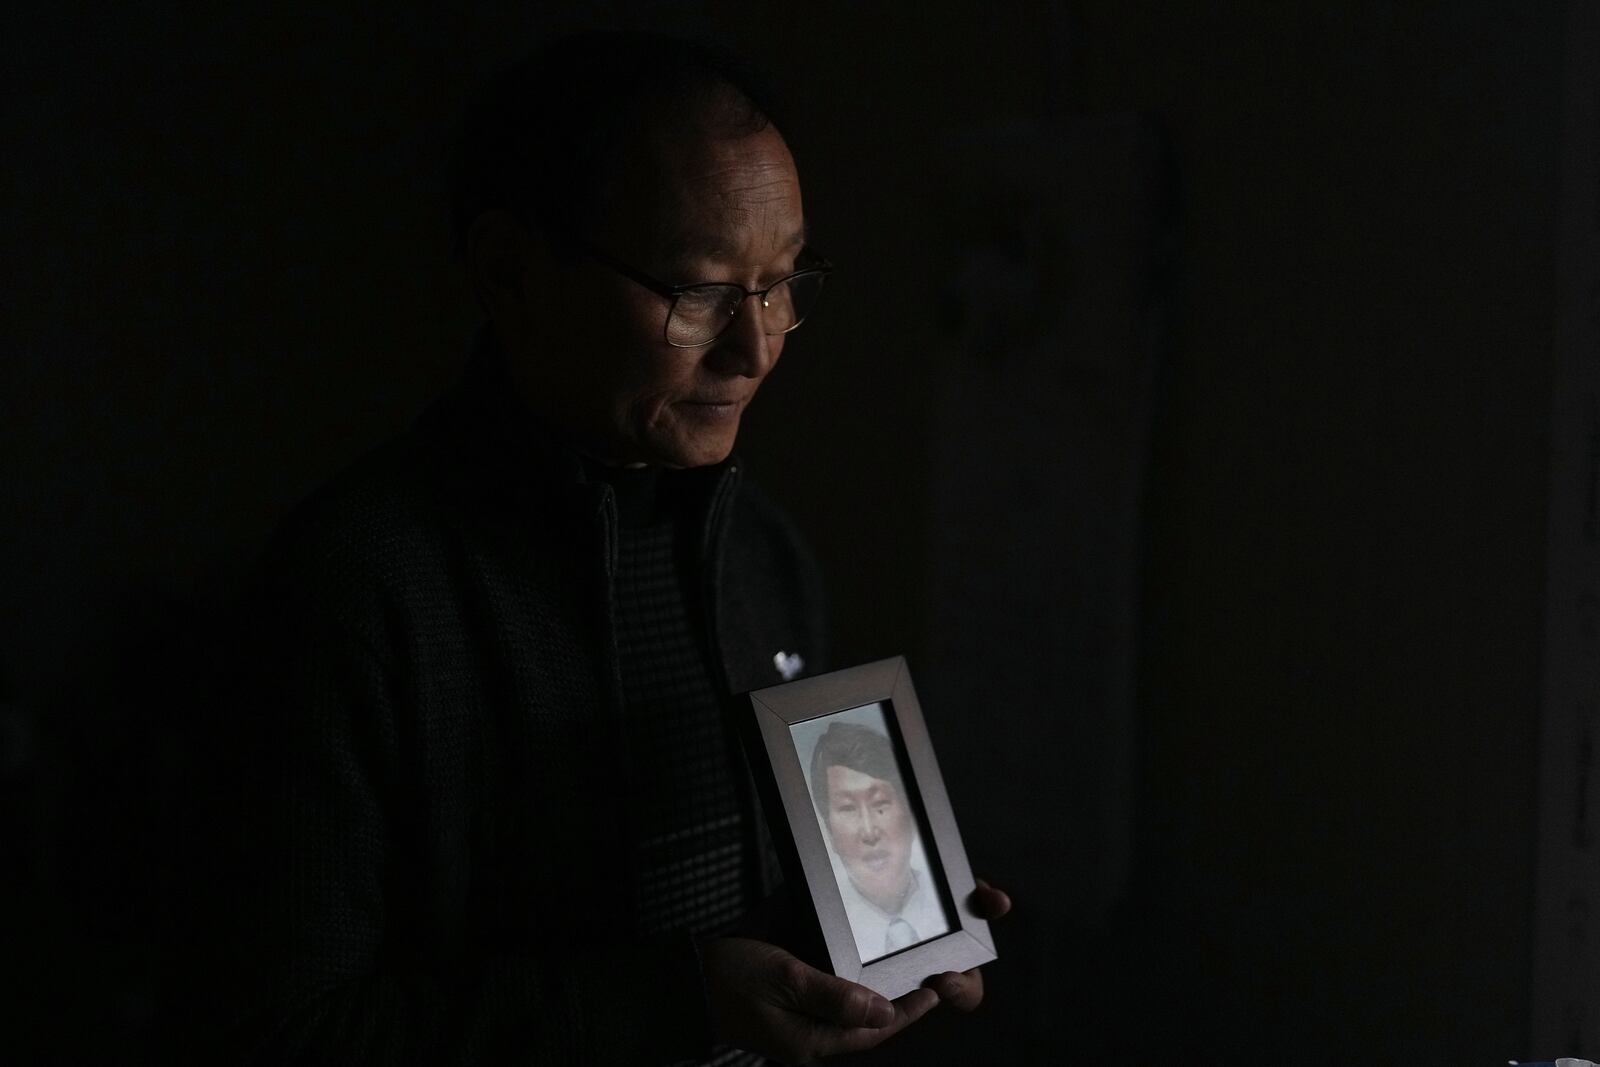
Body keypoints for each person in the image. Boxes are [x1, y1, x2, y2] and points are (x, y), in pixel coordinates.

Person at [192, 30, 1009, 1066]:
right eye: (699, 290)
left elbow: (736, 912)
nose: (755, 347)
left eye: (782, 284)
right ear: (509, 271)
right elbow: (273, 1030)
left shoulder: (762, 554)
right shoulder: (358, 587)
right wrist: (672, 1007)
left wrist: (886, 924)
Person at [809, 721, 950, 961]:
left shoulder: (950, 900)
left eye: (880, 804)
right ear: (830, 833)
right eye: (848, 808)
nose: (869, 831)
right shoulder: (822, 936)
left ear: (911, 817)